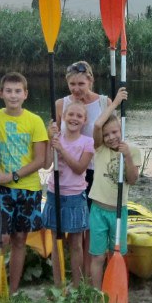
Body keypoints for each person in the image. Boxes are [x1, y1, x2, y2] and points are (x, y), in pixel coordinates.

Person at [0, 72, 49, 294]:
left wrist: (13, 175)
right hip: (3, 190)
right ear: (2, 93)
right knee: (1, 239)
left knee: (19, 239)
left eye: (18, 91)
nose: (13, 96)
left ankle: (13, 290)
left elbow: (40, 161)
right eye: (8, 91)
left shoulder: (35, 121)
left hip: (28, 189)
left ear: (25, 94)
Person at [56, 60, 114, 265]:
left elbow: (113, 135)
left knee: (92, 224)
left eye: (81, 83)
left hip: (96, 171)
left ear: (90, 80)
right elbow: (57, 136)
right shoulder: (62, 104)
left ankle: (91, 271)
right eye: (72, 84)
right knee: (75, 226)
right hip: (71, 173)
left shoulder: (104, 103)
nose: (76, 89)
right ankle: (75, 273)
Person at [87, 103, 143, 289]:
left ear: (121, 130)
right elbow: (96, 126)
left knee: (117, 253)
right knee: (97, 256)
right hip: (98, 210)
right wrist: (116, 102)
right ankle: (96, 292)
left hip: (119, 211)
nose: (111, 138)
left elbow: (132, 179)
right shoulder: (99, 148)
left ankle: (117, 288)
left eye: (114, 132)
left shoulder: (132, 150)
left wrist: (126, 156)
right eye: (106, 134)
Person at [44, 99, 95, 286]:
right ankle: (59, 284)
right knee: (57, 243)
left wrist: (62, 150)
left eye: (79, 116)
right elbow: (47, 164)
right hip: (54, 194)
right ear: (63, 117)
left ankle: (76, 285)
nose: (74, 118)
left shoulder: (88, 142)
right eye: (70, 115)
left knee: (76, 243)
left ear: (85, 120)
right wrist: (51, 143)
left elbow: (80, 168)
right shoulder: (57, 139)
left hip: (75, 196)